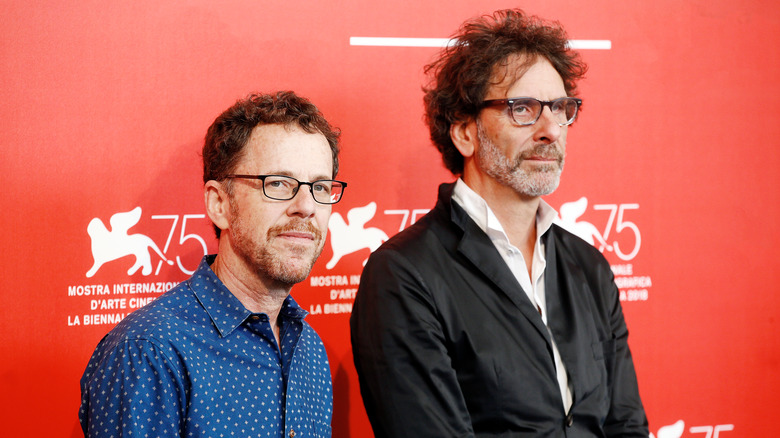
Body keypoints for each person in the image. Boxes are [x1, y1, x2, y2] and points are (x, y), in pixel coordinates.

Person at [350, 9, 648, 437]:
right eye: (522, 108)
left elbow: (626, 426)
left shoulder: (590, 267)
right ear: (465, 132)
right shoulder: (403, 274)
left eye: (561, 108)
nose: (551, 129)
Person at [80, 91, 345, 437]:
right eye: (279, 183)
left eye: (321, 187)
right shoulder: (150, 352)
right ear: (219, 204)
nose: (307, 206)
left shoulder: (308, 348)